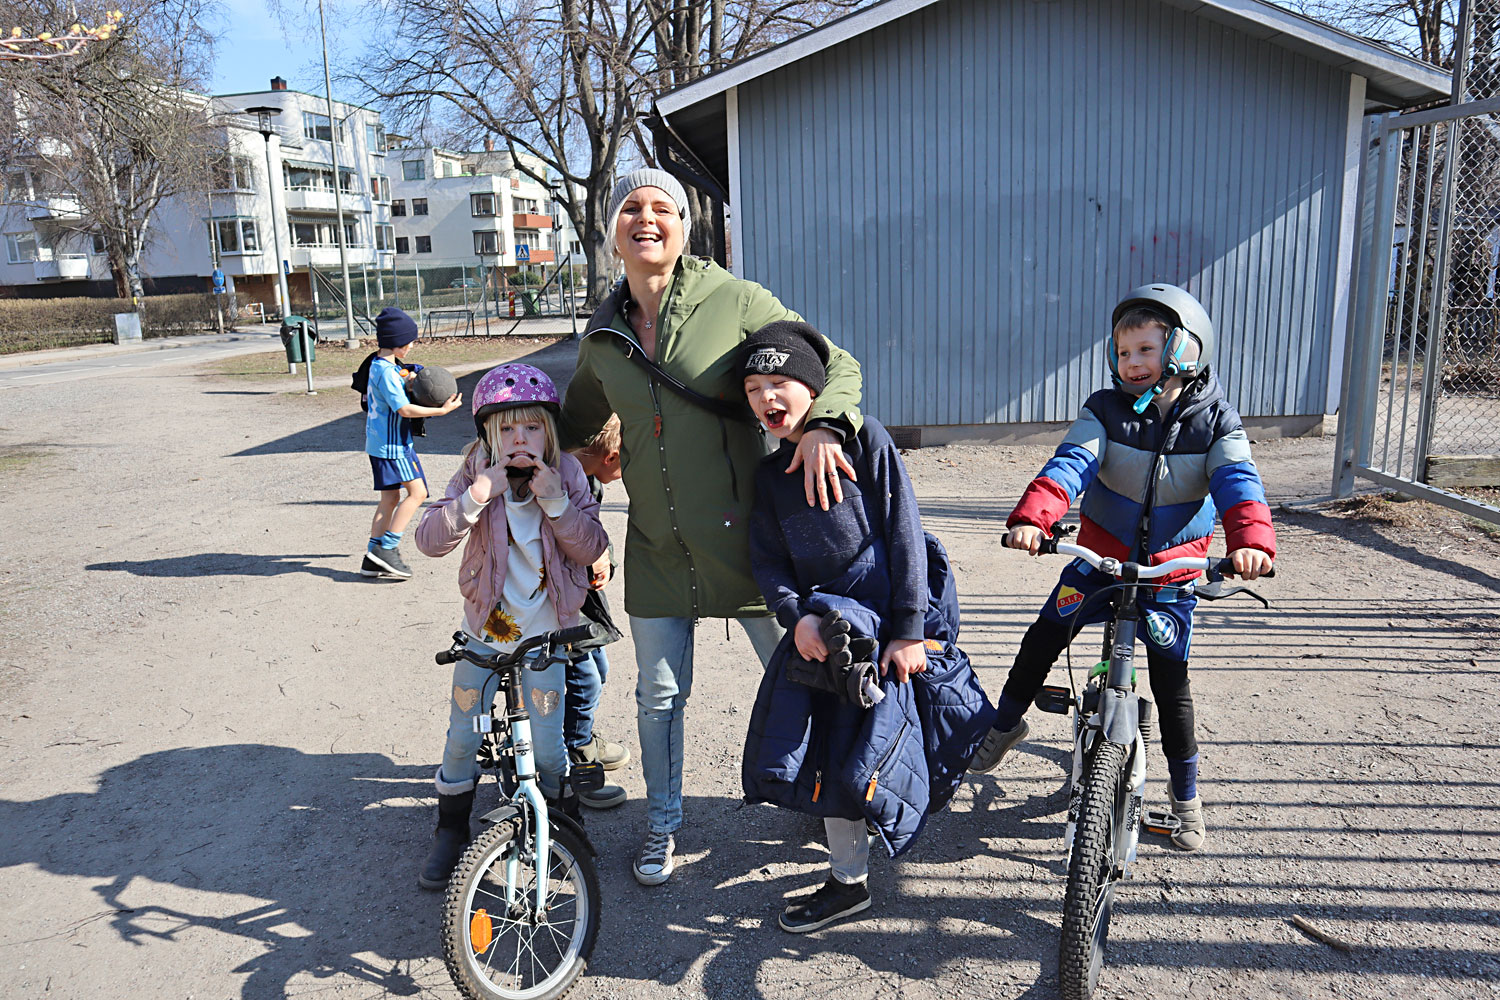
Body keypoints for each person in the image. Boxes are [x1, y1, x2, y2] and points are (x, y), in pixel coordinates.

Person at [558, 169, 864, 886]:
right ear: (612, 231)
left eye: (661, 207)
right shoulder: (602, 338)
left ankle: (834, 800)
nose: (646, 218)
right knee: (658, 698)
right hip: (658, 548)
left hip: (754, 546)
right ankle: (663, 823)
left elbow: (835, 363)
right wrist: (503, 447)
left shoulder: (735, 301)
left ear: (684, 226)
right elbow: (568, 424)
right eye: (631, 208)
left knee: (806, 675)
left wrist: (825, 425)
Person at [968, 284, 1276, 852]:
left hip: (1171, 573)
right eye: (1124, 352)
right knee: (1043, 637)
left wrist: (1250, 543)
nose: (1132, 363)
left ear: (1186, 349)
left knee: (1172, 685)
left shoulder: (1217, 421)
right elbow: (1071, 463)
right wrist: (1035, 518)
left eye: (1146, 350)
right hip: (1101, 562)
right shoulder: (1104, 409)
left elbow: (1239, 483)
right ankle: (1006, 724)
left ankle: (1185, 799)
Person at [737, 321, 997, 932]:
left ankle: (981, 747)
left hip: (890, 629)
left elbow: (906, 534)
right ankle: (849, 881)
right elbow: (768, 563)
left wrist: (908, 630)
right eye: (752, 389)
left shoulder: (866, 442)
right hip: (829, 640)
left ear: (812, 388)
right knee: (835, 750)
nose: (766, 397)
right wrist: (796, 617)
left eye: (779, 383)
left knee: (925, 728)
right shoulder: (768, 478)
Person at [413, 362, 609, 890]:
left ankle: (562, 824)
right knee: (461, 737)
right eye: (506, 429)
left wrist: (556, 501)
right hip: (485, 631)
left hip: (546, 635)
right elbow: (428, 540)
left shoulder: (568, 472)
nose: (519, 438)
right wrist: (476, 496)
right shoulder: (474, 470)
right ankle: (451, 828)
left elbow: (592, 546)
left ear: (550, 431)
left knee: (548, 747)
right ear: (487, 436)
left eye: (532, 427)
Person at [361, 307, 461, 580]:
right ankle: (387, 549)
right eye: (409, 341)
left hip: (379, 445)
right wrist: (441, 411)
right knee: (418, 493)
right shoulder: (387, 373)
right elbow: (403, 410)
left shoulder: (381, 366)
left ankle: (371, 557)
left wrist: (408, 382)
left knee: (390, 498)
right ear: (396, 341)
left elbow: (394, 392)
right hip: (394, 447)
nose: (412, 345)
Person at [562, 415, 630, 810]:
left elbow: (592, 534)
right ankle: (577, 756)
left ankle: (579, 736)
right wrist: (593, 555)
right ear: (611, 456)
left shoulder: (587, 479)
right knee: (584, 677)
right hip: (561, 602)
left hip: (581, 598)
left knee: (596, 669)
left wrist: (603, 556)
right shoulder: (564, 481)